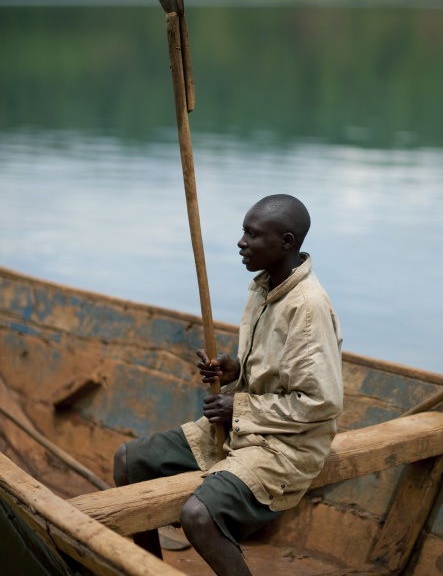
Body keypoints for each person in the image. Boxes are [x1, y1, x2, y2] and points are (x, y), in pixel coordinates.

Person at [113, 194, 343, 576]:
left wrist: (240, 407)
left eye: (252, 235)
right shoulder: (263, 287)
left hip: (284, 445)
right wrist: (234, 370)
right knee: (128, 461)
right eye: (243, 232)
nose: (241, 242)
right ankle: (148, 568)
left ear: (286, 242)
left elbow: (321, 402)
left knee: (198, 515)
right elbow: (271, 370)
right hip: (239, 430)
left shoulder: (307, 307)